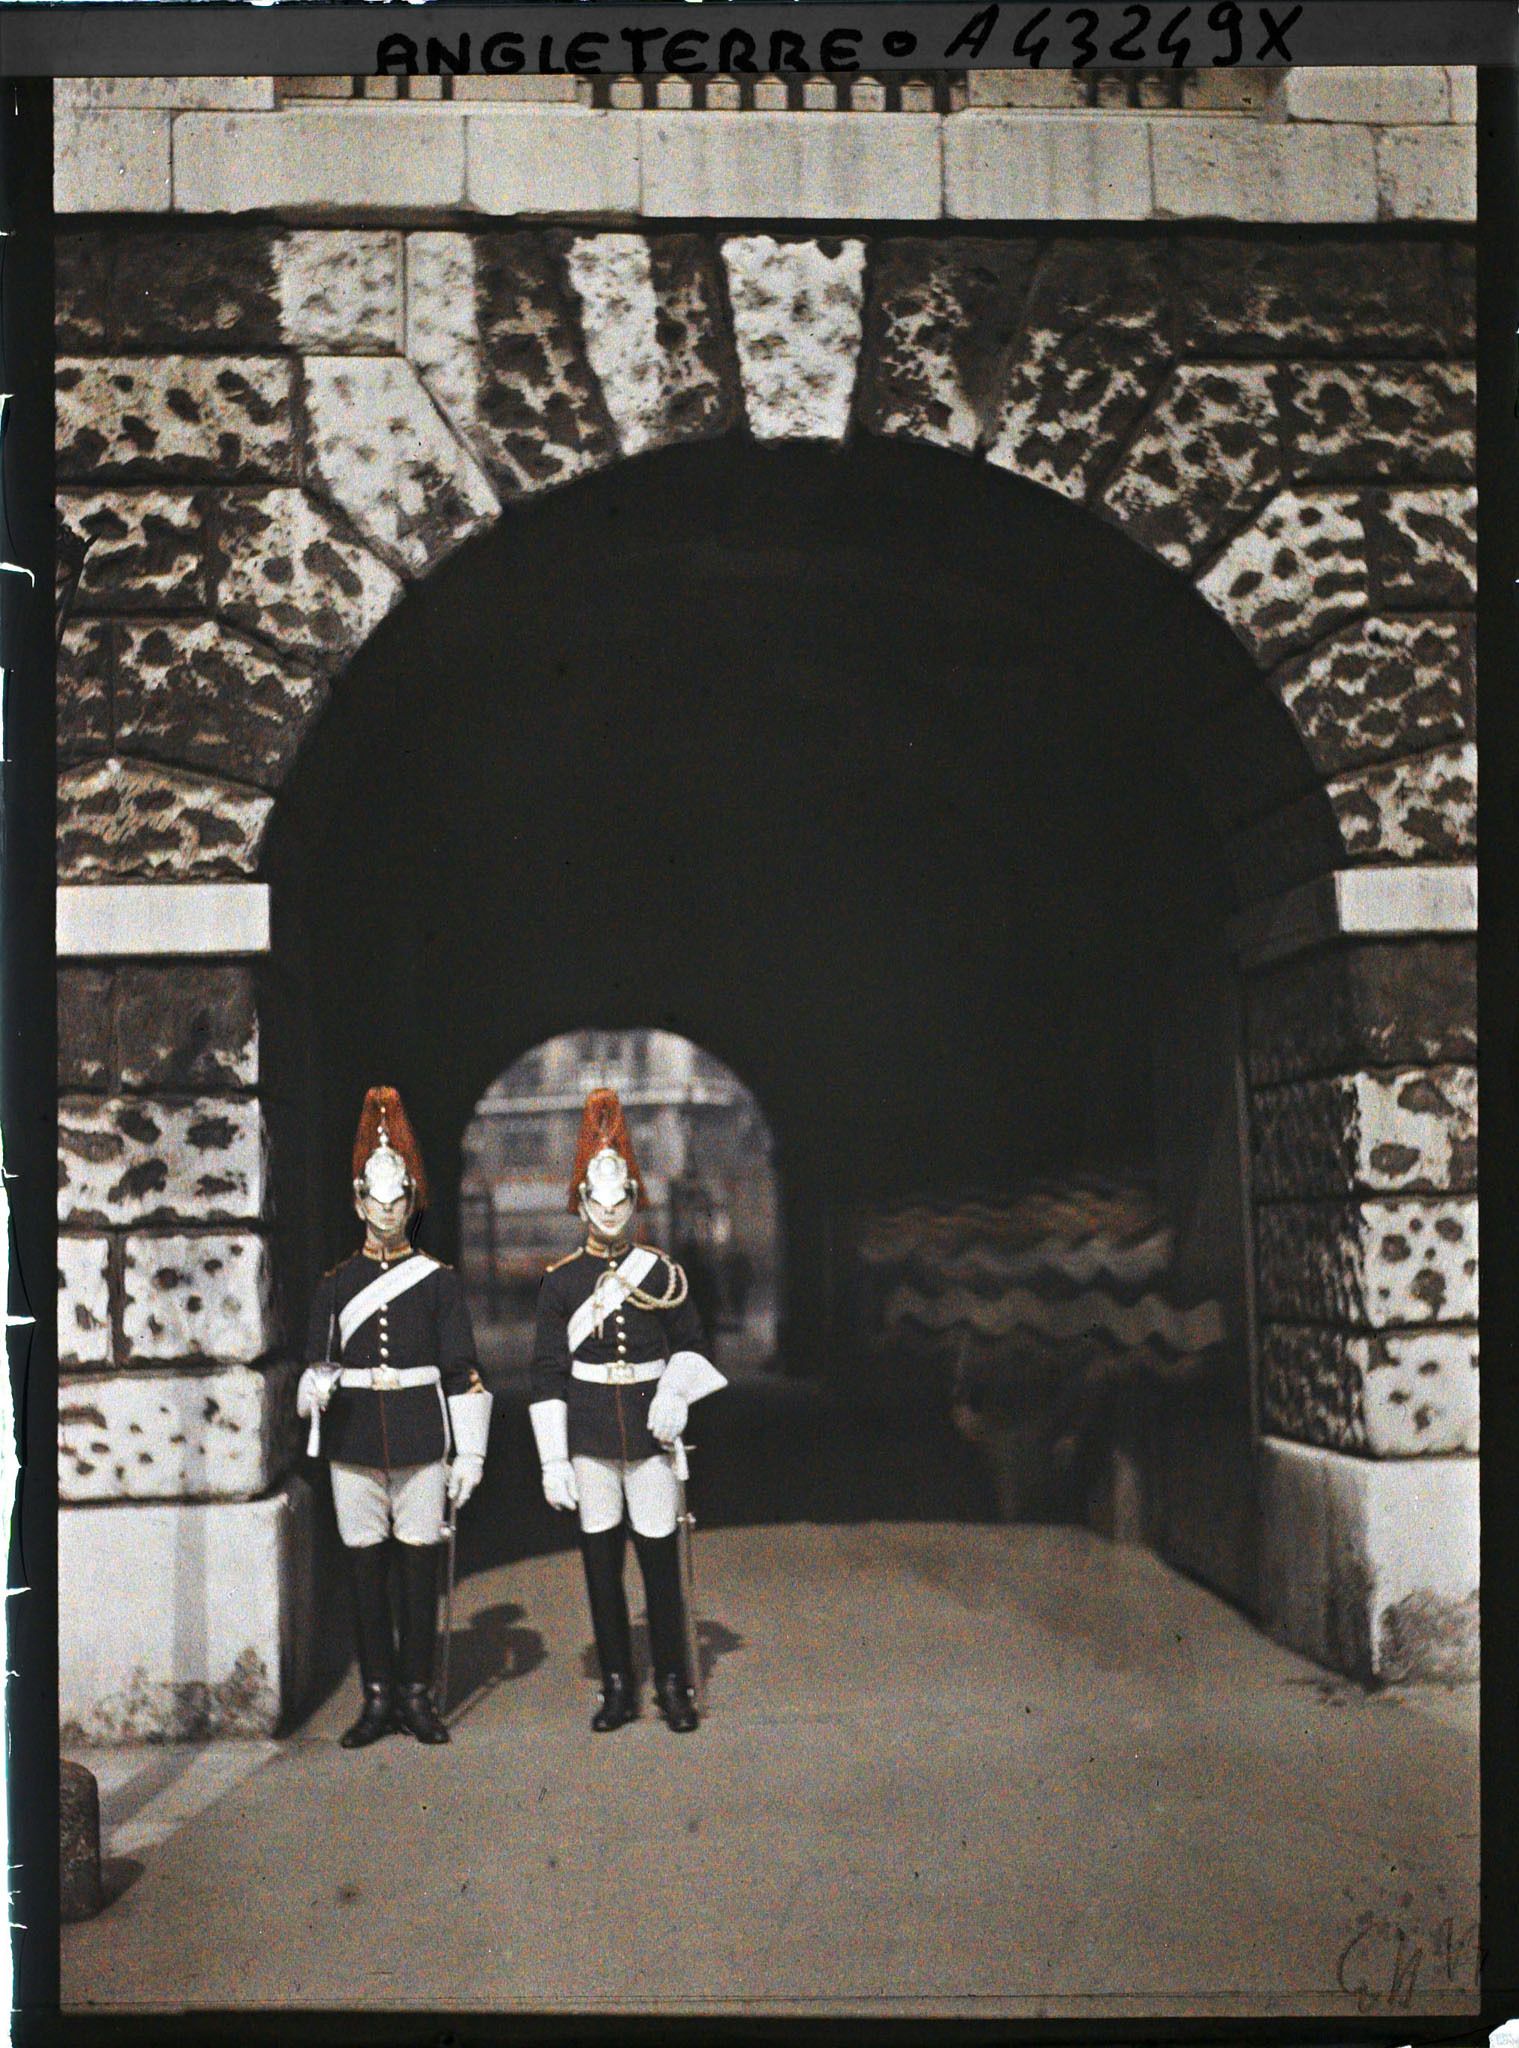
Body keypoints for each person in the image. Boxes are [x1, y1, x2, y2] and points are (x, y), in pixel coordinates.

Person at [297, 1087, 492, 1749]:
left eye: (397, 1200)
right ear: (358, 1203)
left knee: (417, 1574)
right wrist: (312, 1389)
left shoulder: (438, 1282)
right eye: (375, 1201)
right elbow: (313, 1361)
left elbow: (461, 1369)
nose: (386, 1212)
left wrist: (470, 1455)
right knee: (364, 1575)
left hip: (418, 1438)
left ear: (412, 1202)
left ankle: (416, 1694)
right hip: (353, 1439)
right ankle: (376, 1696)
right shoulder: (335, 1283)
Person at [528, 1090, 726, 1734]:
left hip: (648, 1432)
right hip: (587, 1435)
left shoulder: (659, 1272)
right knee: (600, 1566)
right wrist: (552, 1458)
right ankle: (617, 1684)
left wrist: (674, 1393)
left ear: (633, 1203)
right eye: (598, 1202)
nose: (610, 1213)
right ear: (582, 1204)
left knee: (660, 1564)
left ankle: (672, 1682)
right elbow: (548, 1374)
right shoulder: (560, 1283)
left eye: (621, 1202)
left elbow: (694, 1345)